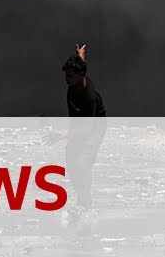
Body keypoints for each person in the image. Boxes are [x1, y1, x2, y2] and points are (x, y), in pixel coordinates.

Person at [62, 44, 106, 213]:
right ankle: (82, 198)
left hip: (94, 129)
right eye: (66, 75)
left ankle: (85, 203)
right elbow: (81, 66)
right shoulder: (76, 81)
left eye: (70, 76)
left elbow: (87, 130)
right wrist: (80, 56)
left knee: (82, 163)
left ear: (80, 75)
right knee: (71, 162)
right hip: (78, 126)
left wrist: (64, 135)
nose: (66, 79)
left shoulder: (89, 98)